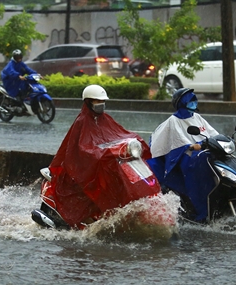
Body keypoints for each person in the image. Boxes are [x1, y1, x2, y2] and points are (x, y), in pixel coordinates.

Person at [48, 84, 151, 227]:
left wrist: (133, 141)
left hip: (101, 161)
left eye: (102, 101)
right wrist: (103, 153)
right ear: (88, 102)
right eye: (97, 101)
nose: (100, 104)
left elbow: (119, 133)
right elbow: (83, 149)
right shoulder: (82, 121)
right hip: (83, 166)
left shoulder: (104, 118)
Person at [147, 88, 218, 222]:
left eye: (194, 100)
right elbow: (180, 141)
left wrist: (225, 140)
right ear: (182, 102)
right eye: (190, 101)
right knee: (195, 177)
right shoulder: (174, 121)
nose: (194, 103)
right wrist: (192, 146)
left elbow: (212, 133)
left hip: (202, 152)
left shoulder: (196, 117)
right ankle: (200, 212)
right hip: (184, 156)